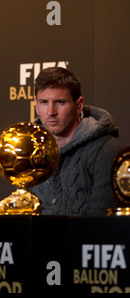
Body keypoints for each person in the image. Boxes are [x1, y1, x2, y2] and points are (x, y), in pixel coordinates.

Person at [31, 67, 122, 215]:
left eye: (60, 102)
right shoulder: (29, 150)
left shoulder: (106, 149)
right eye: (43, 102)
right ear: (36, 105)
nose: (50, 112)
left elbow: (102, 224)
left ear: (78, 105)